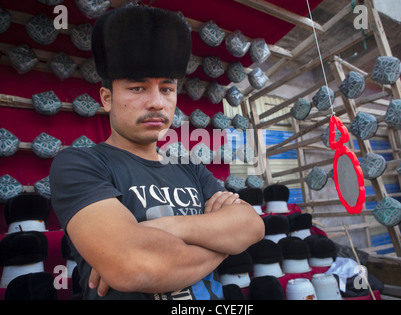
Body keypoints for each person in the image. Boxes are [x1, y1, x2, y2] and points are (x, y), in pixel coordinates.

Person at [49, 4, 264, 300]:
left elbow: (251, 225)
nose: (156, 103)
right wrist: (225, 244)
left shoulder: (189, 168)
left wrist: (159, 228)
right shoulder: (80, 164)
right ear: (107, 98)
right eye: (138, 88)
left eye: (166, 89)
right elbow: (132, 265)